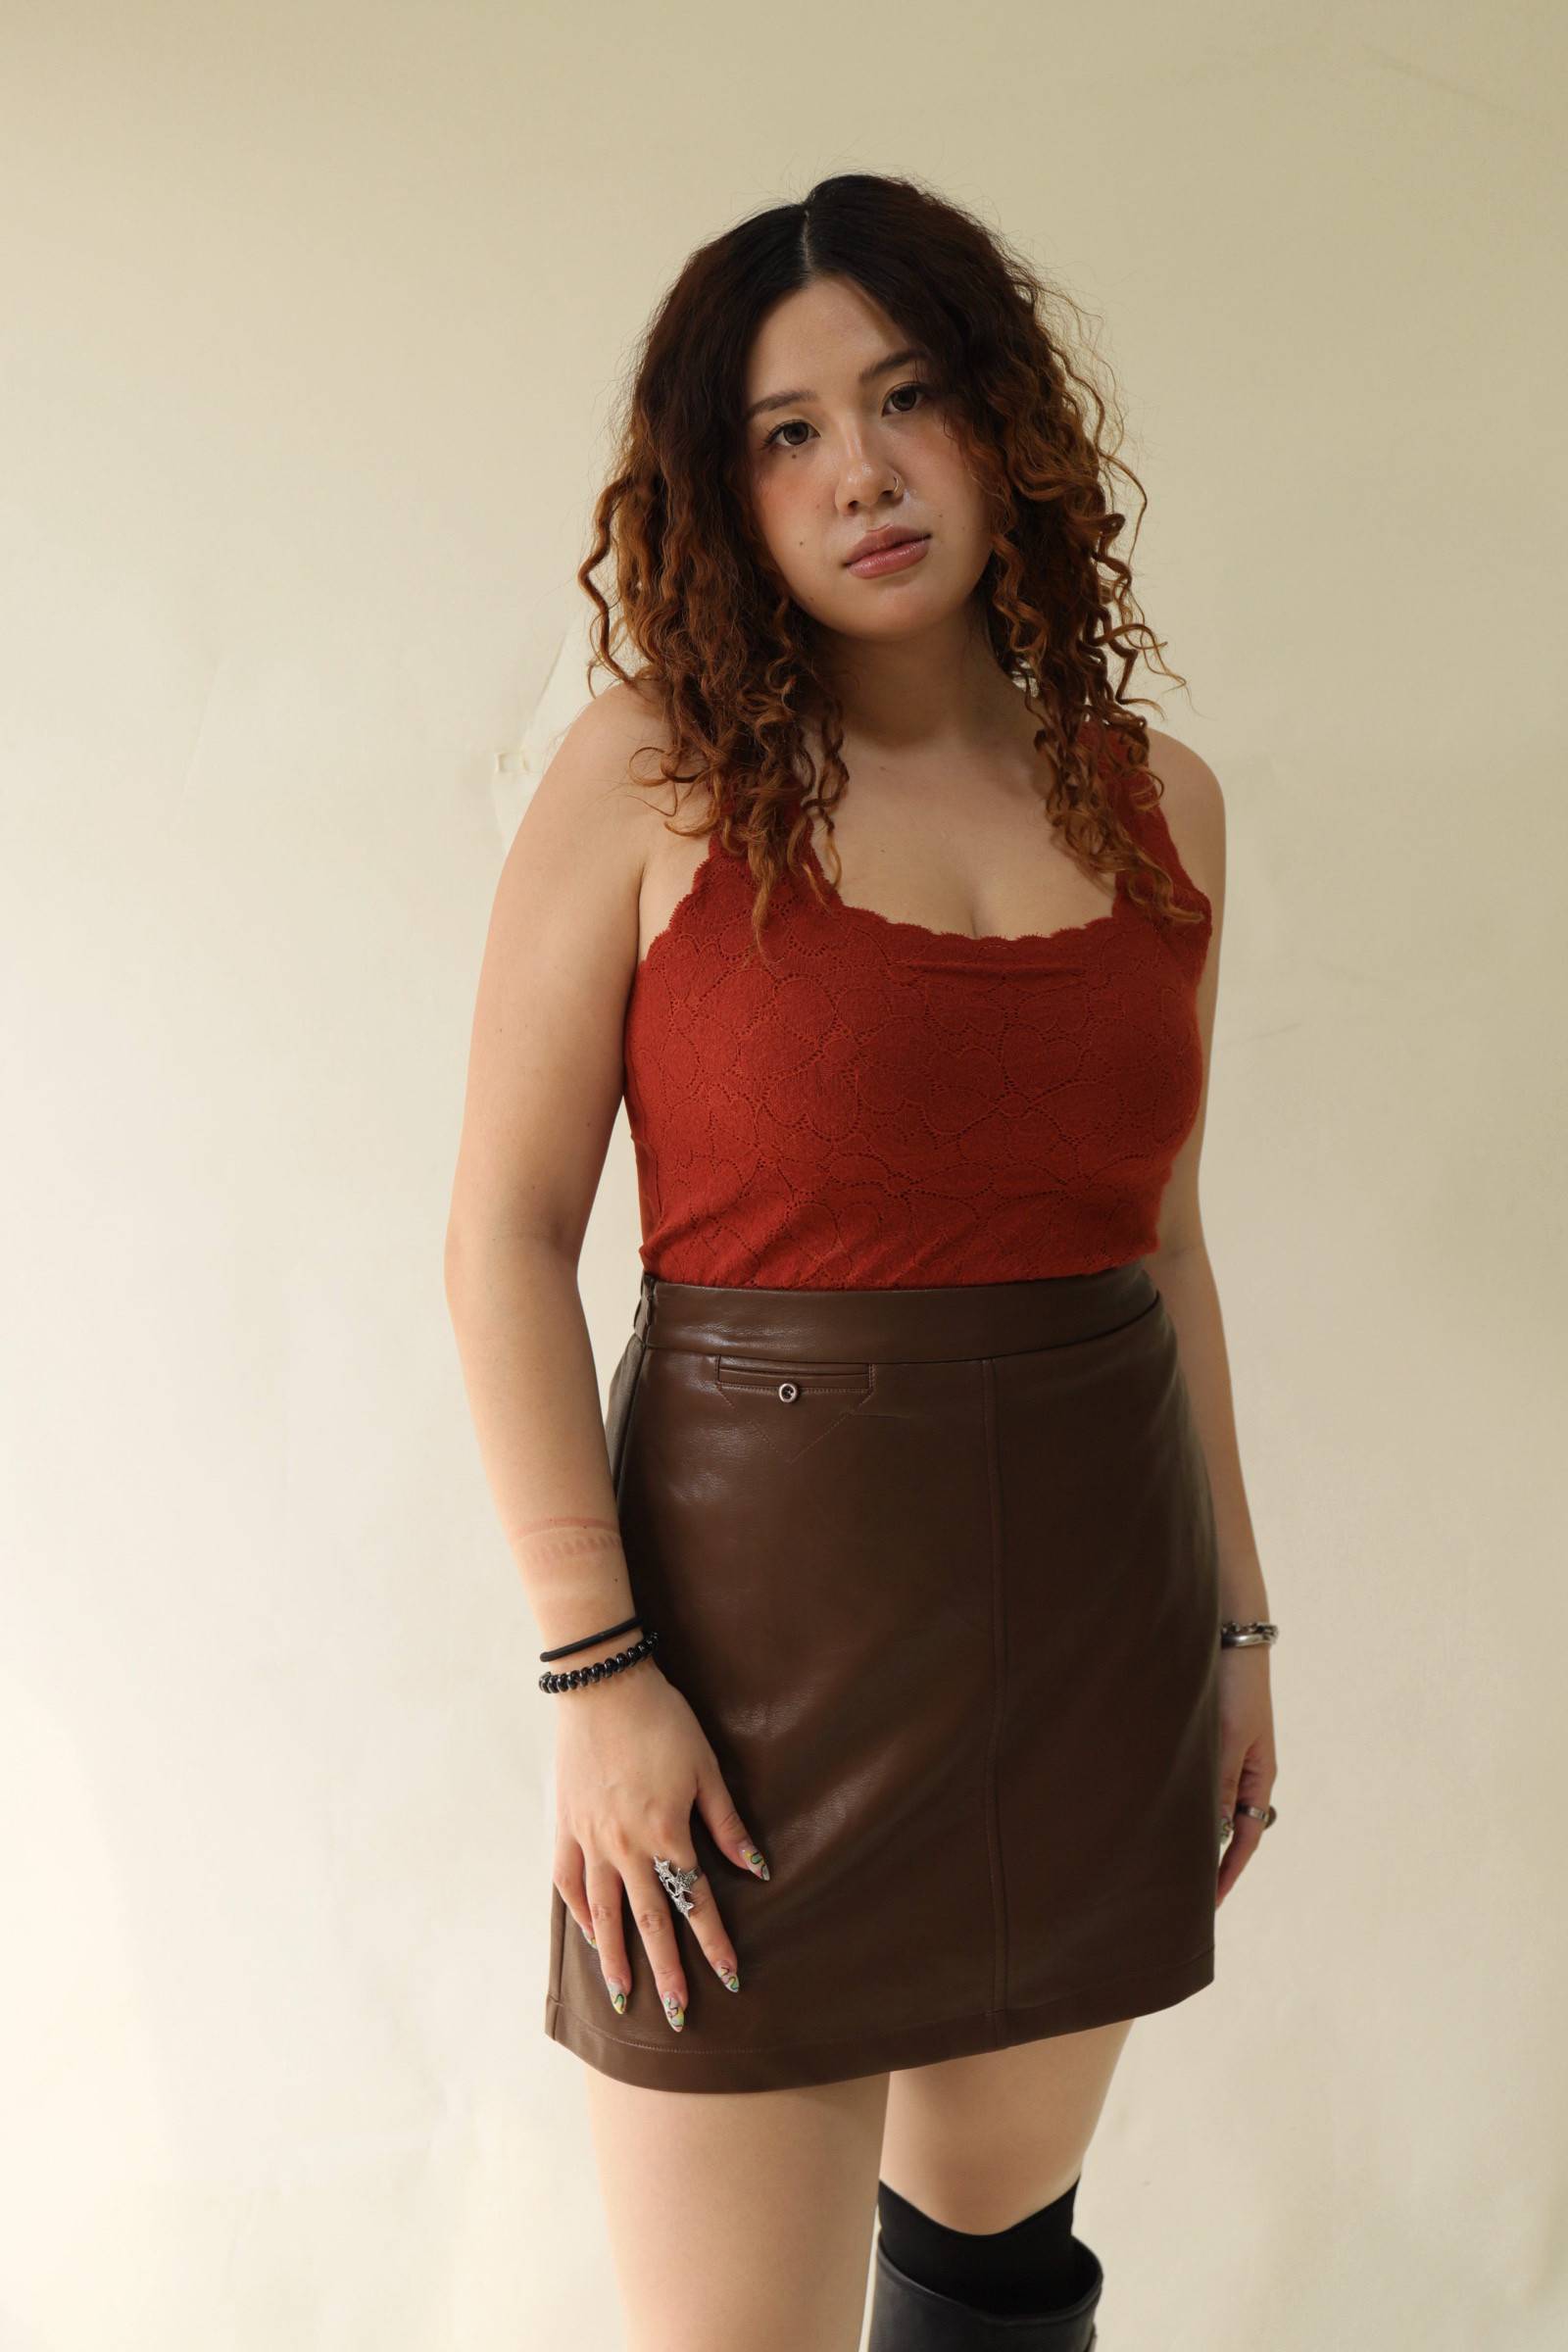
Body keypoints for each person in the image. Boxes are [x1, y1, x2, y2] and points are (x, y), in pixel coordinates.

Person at [444, 171, 1279, 2352]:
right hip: (749, 1673)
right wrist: (595, 1676)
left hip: (1094, 1633)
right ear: (720, 492)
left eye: (908, 398)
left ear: (1004, 422)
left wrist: (1236, 1625)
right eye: (787, 433)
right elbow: (502, 1238)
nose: (863, 474)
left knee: (991, 2284)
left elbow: (1165, 1242)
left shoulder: (1162, 805)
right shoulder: (650, 775)